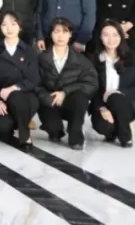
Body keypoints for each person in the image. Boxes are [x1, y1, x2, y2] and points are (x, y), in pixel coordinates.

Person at [36, 18, 99, 150]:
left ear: (70, 34)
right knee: (54, 131)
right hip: (50, 101)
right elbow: (35, 83)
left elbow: (91, 83)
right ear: (51, 34)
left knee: (80, 98)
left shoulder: (80, 59)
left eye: (65, 32)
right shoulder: (41, 58)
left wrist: (65, 92)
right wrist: (48, 97)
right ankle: (56, 129)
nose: (60, 36)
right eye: (56, 31)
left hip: (72, 101)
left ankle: (76, 135)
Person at [0, 11, 41, 150]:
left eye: (13, 24)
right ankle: (18, 121)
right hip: (1, 98)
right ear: (0, 27)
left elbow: (34, 79)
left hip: (26, 96)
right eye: (4, 24)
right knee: (2, 127)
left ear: (20, 27)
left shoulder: (29, 50)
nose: (9, 28)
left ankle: (24, 135)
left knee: (16, 96)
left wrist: (13, 88)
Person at [91, 20, 135, 148]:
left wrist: (119, 93)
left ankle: (125, 137)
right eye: (106, 35)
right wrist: (101, 107)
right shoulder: (94, 58)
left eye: (115, 35)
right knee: (104, 126)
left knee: (115, 98)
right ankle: (116, 129)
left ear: (121, 36)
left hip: (126, 103)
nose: (111, 39)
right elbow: (91, 87)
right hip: (103, 104)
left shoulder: (132, 57)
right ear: (100, 37)